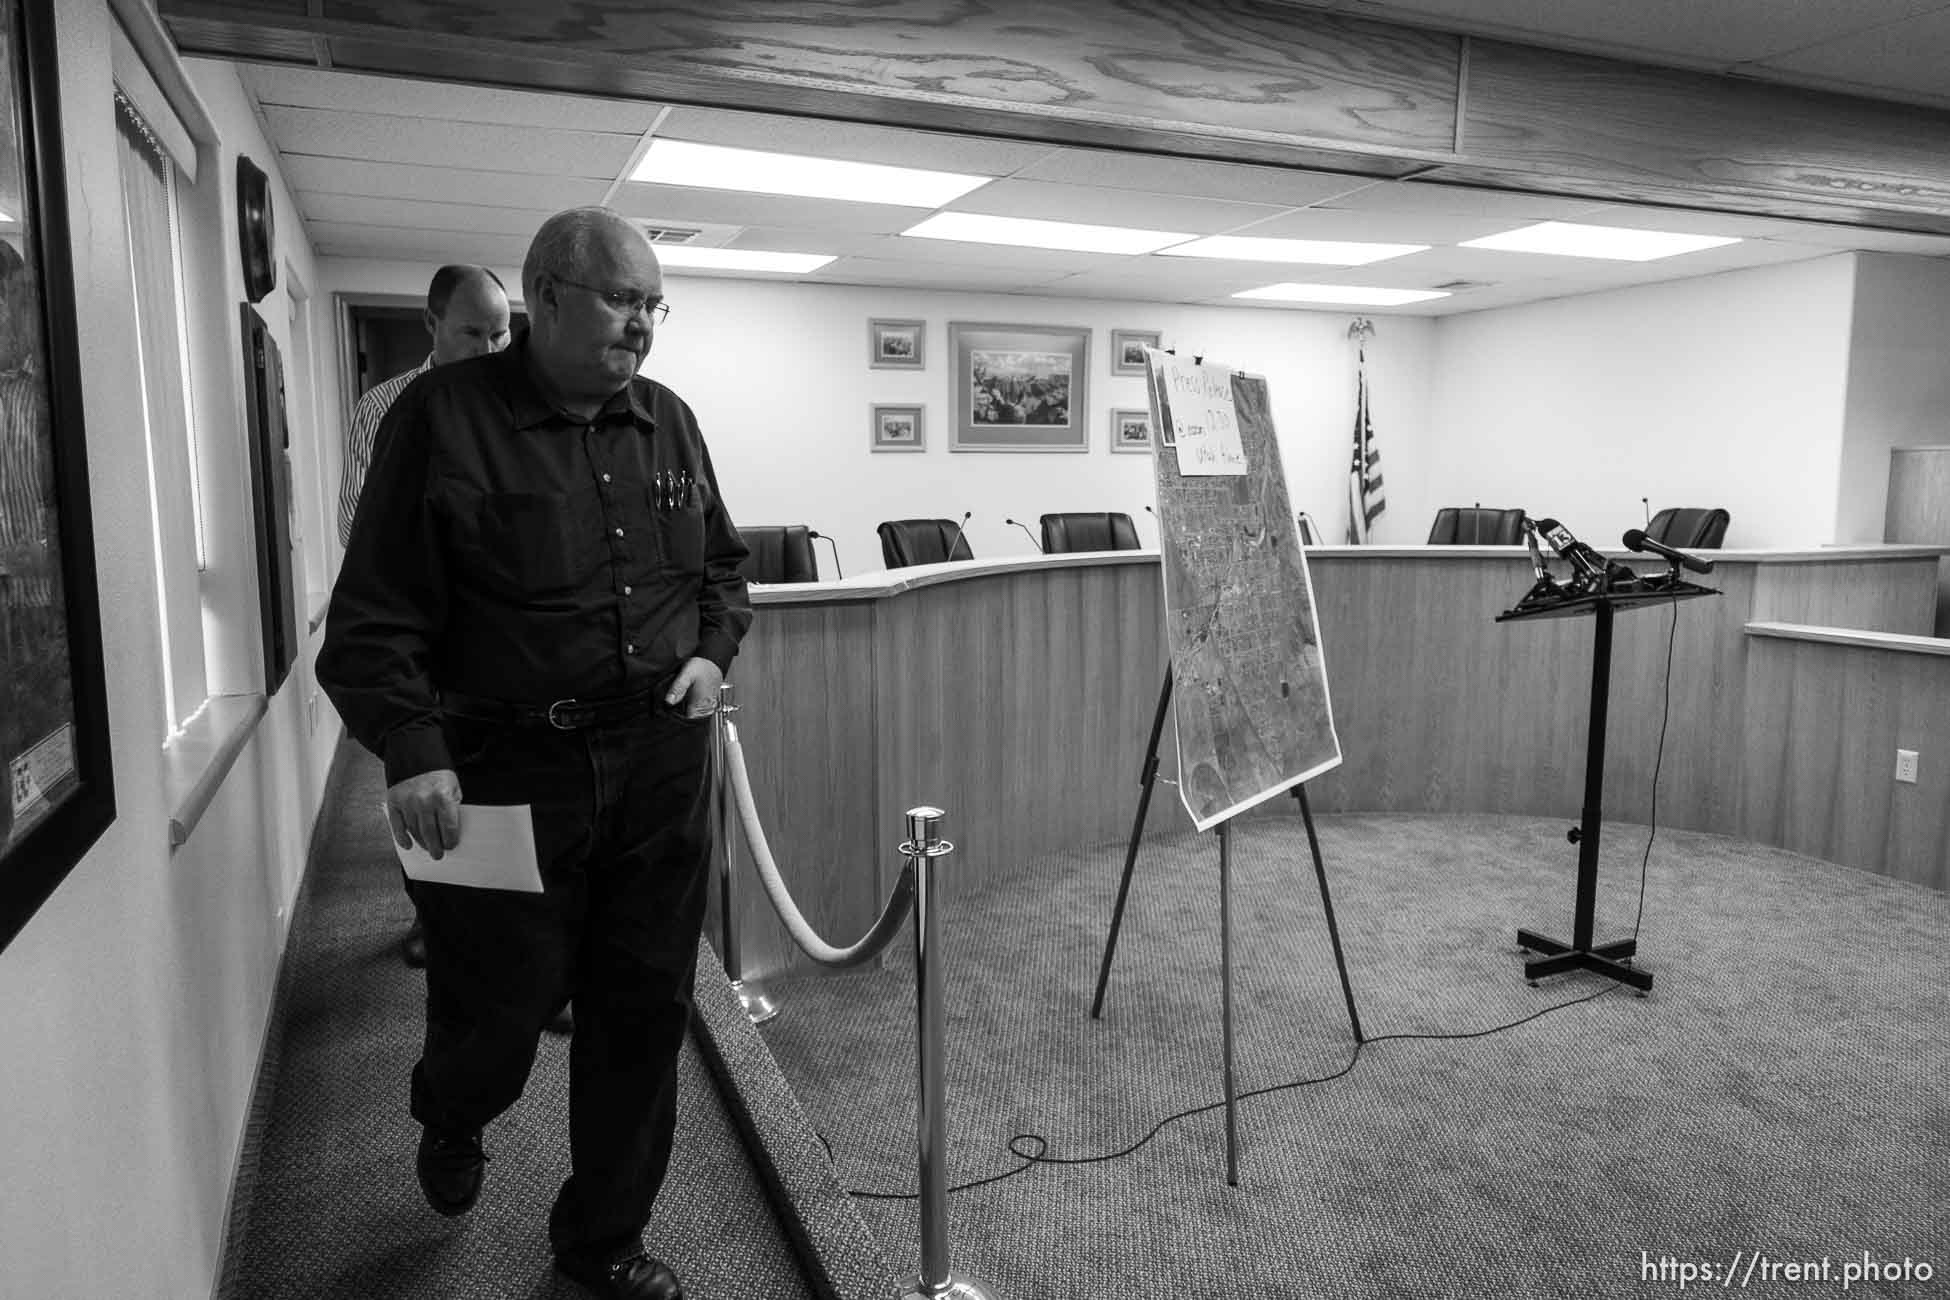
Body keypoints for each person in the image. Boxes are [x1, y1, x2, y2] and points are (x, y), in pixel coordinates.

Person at [316, 206, 750, 1300]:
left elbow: (723, 572)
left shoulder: (672, 423)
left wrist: (711, 650)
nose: (642, 325)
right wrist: (412, 747)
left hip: (658, 768)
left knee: (643, 1010)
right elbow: (373, 614)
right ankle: (451, 1109)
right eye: (622, 299)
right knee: (499, 1010)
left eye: (655, 305)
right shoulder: (441, 417)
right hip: (501, 774)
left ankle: (600, 1240)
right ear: (546, 294)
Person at [334, 264, 510, 969]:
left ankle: (529, 948)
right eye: (474, 332)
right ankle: (434, 920)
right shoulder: (384, 408)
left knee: (514, 795)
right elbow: (360, 528)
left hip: (507, 642)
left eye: (502, 332)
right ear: (432, 324)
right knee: (426, 782)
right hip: (426, 640)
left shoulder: (521, 402)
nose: (492, 348)